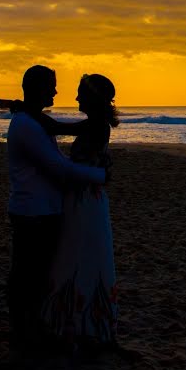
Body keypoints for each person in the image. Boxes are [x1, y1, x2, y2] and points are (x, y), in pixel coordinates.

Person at [6, 65, 107, 353]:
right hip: (33, 211)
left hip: (44, 209)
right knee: (28, 272)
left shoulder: (34, 121)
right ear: (37, 87)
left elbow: (57, 155)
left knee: (37, 271)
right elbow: (57, 165)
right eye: (51, 85)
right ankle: (23, 330)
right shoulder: (27, 124)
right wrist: (100, 176)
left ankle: (32, 326)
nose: (56, 91)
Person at [41, 74, 120, 349]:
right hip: (87, 197)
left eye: (80, 93)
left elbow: (56, 128)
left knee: (78, 253)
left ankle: (78, 325)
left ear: (92, 98)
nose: (75, 98)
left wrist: (31, 116)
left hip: (85, 198)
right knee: (81, 254)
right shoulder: (96, 125)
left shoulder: (95, 126)